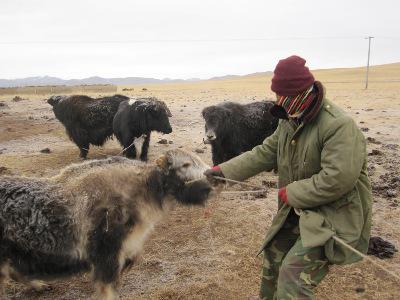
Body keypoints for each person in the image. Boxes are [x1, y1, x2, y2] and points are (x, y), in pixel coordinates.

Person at [204, 55, 372, 300]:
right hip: (299, 209)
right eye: (276, 95)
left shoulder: (339, 126)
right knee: (273, 255)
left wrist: (292, 193)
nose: (278, 102)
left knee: (293, 274)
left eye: (283, 96)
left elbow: (338, 178)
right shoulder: (290, 119)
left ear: (302, 93)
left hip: (334, 215)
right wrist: (224, 171)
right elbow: (265, 152)